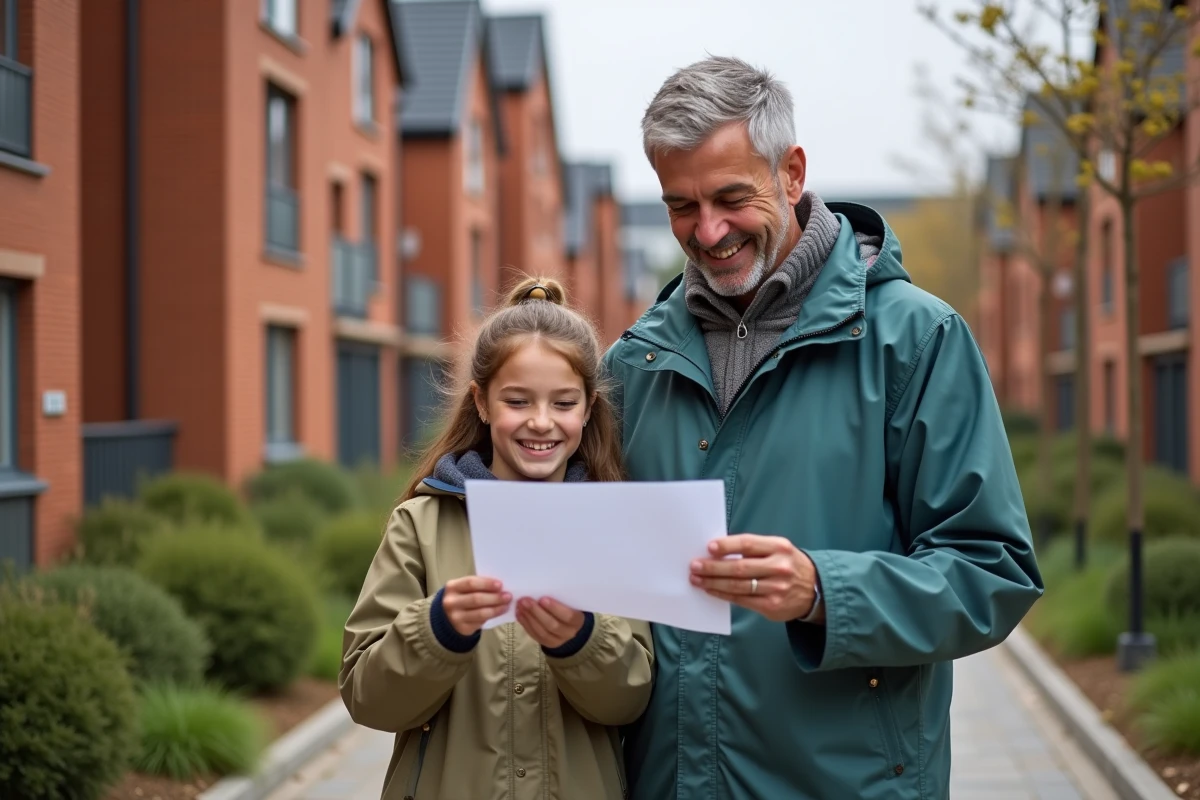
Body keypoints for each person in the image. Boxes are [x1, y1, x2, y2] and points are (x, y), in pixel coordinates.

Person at [604, 56, 1043, 799]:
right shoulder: (633, 362)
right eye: (681, 206)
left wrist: (824, 593)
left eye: (731, 198)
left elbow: (991, 571)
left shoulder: (916, 340)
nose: (708, 231)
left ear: (792, 172)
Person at [340, 277, 654, 800]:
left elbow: (629, 700)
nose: (541, 422)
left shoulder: (613, 528)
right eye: (517, 401)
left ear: (588, 407)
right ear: (481, 403)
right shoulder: (420, 524)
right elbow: (367, 699)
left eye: (563, 403)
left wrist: (581, 641)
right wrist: (437, 631)